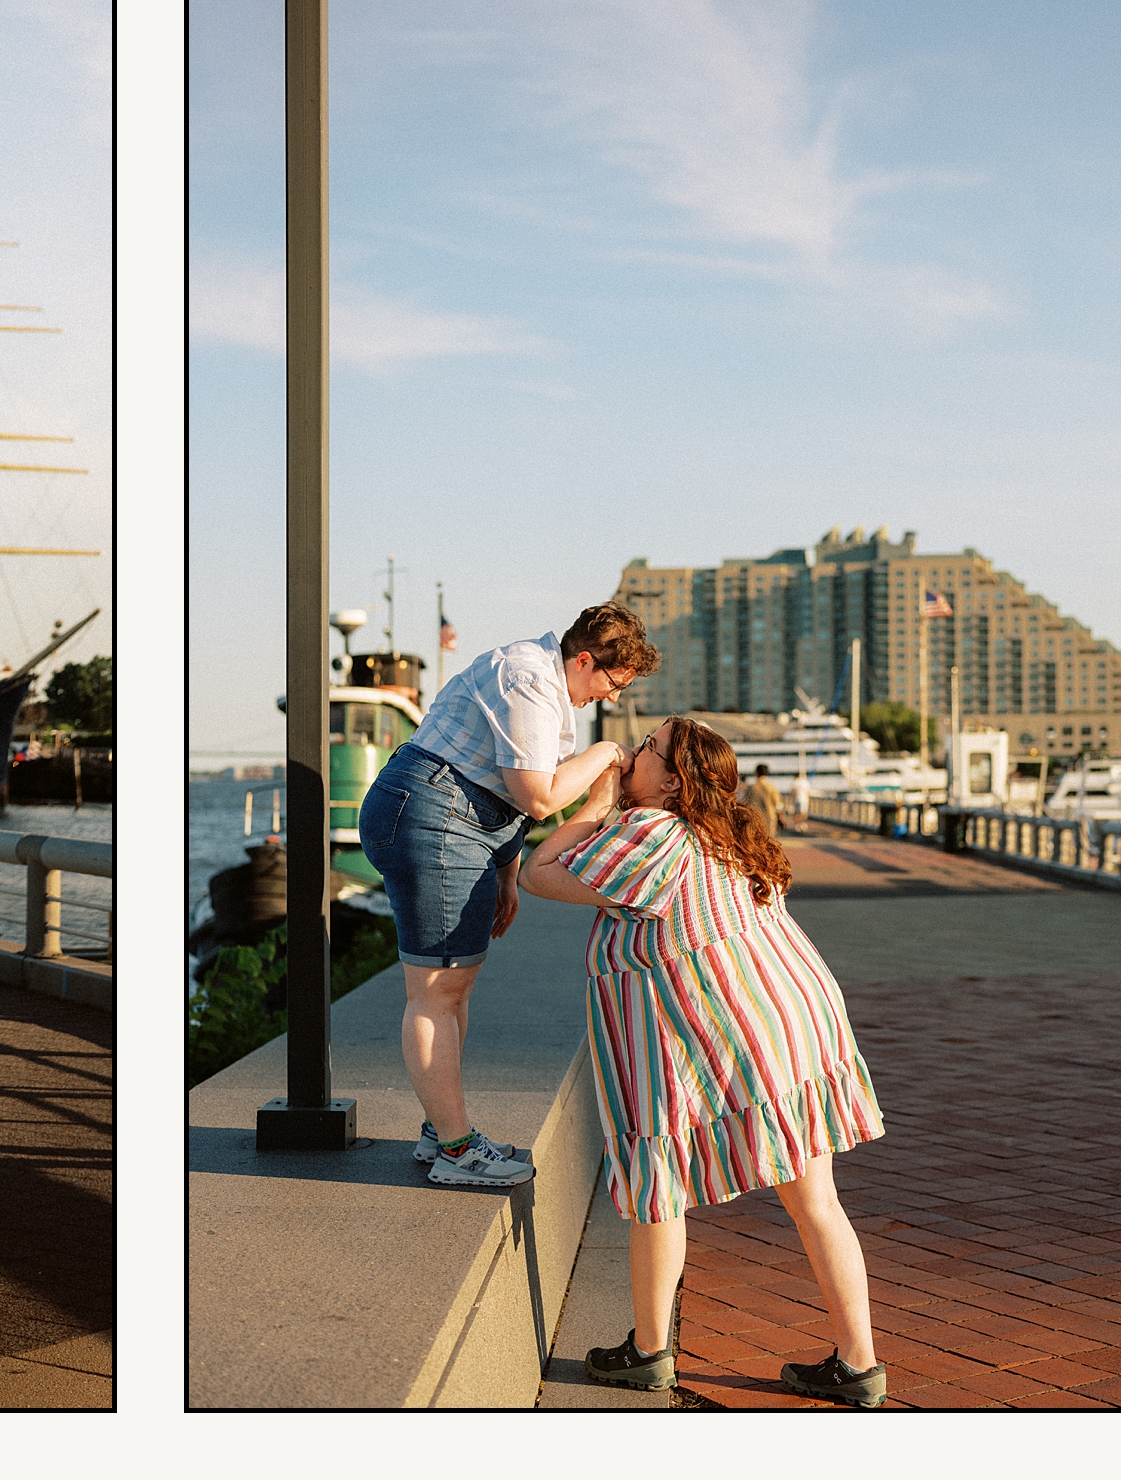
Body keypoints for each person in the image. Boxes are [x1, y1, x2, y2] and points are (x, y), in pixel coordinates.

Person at [521, 716, 888, 1407]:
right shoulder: (728, 833)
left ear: (670, 781)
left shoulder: (648, 835)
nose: (633, 753)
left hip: (728, 1027)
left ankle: (650, 1349)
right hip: (798, 1020)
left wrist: (596, 803)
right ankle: (858, 1361)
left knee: (656, 1173)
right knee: (816, 1201)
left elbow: (537, 872)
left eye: (648, 748)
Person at [359, 602, 660, 1189]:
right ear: (584, 660)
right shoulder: (526, 677)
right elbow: (539, 797)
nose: (613, 698)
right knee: (436, 990)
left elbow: (500, 781)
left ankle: (441, 1129)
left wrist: (505, 867)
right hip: (431, 816)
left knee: (453, 988)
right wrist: (603, 754)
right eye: (614, 683)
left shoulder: (547, 686)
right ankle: (454, 1150)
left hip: (459, 820)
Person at [744, 762, 782, 838]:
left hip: (755, 817)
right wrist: (780, 816)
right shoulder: (771, 787)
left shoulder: (752, 787)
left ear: (756, 773)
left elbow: (745, 802)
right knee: (769, 839)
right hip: (769, 817)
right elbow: (778, 804)